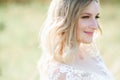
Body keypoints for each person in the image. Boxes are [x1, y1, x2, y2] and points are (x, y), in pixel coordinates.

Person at [38, 0, 114, 80]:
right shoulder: (59, 72)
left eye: (96, 17)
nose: (95, 26)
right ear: (66, 19)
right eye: (86, 17)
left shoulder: (90, 53)